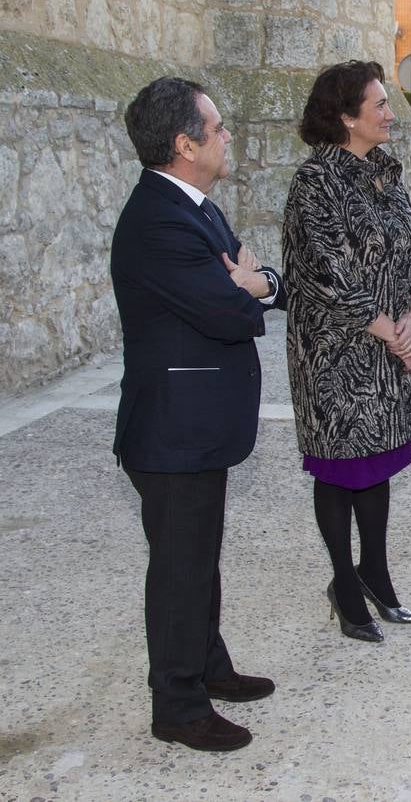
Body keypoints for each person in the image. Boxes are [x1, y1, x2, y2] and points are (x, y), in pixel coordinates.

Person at [112, 76, 285, 752]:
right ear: (186, 144)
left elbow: (251, 282)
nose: (228, 136)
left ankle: (207, 667)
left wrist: (257, 282)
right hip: (172, 432)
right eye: (218, 128)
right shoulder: (159, 220)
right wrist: (250, 286)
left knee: (198, 560)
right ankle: (178, 706)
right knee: (180, 569)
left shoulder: (194, 205)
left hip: (197, 427)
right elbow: (227, 308)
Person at [283, 60, 411, 641]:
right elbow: (324, 273)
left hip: (394, 347)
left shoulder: (385, 175)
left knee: (378, 463)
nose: (389, 113)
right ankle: (345, 582)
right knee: (341, 465)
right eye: (378, 105)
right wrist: (392, 332)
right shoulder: (316, 182)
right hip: (339, 355)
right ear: (346, 116)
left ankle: (375, 569)